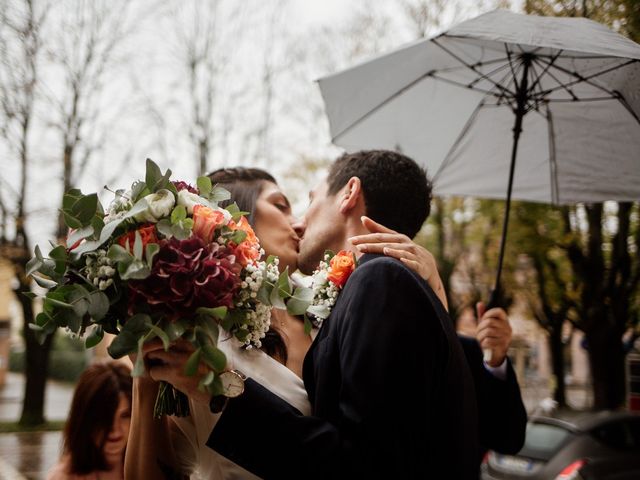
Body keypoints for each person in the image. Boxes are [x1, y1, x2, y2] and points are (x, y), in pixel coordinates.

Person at [130, 158, 525, 478]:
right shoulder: (195, 333)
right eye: (282, 205)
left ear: (349, 194)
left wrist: (435, 301)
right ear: (231, 217)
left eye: (300, 203)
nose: (299, 221)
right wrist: (143, 384)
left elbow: (390, 447)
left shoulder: (338, 309)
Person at [47, 361, 132, 480]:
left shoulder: (148, 467)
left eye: (125, 415)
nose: (115, 430)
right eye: (104, 416)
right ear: (84, 419)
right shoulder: (63, 477)